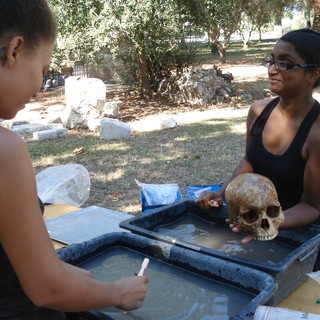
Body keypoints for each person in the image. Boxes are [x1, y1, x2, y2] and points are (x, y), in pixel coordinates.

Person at [0, 1, 148, 319]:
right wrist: (118, 292)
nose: (40, 88)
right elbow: (46, 288)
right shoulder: (4, 150)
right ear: (14, 51)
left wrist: (70, 275)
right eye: (42, 70)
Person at [196, 28, 320, 243]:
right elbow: (250, 162)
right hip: (254, 222)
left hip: (299, 237)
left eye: (285, 63)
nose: (272, 69)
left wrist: (269, 222)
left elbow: (312, 206)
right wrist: (222, 192)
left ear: (313, 74)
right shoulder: (258, 111)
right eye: (271, 60)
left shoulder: (316, 134)